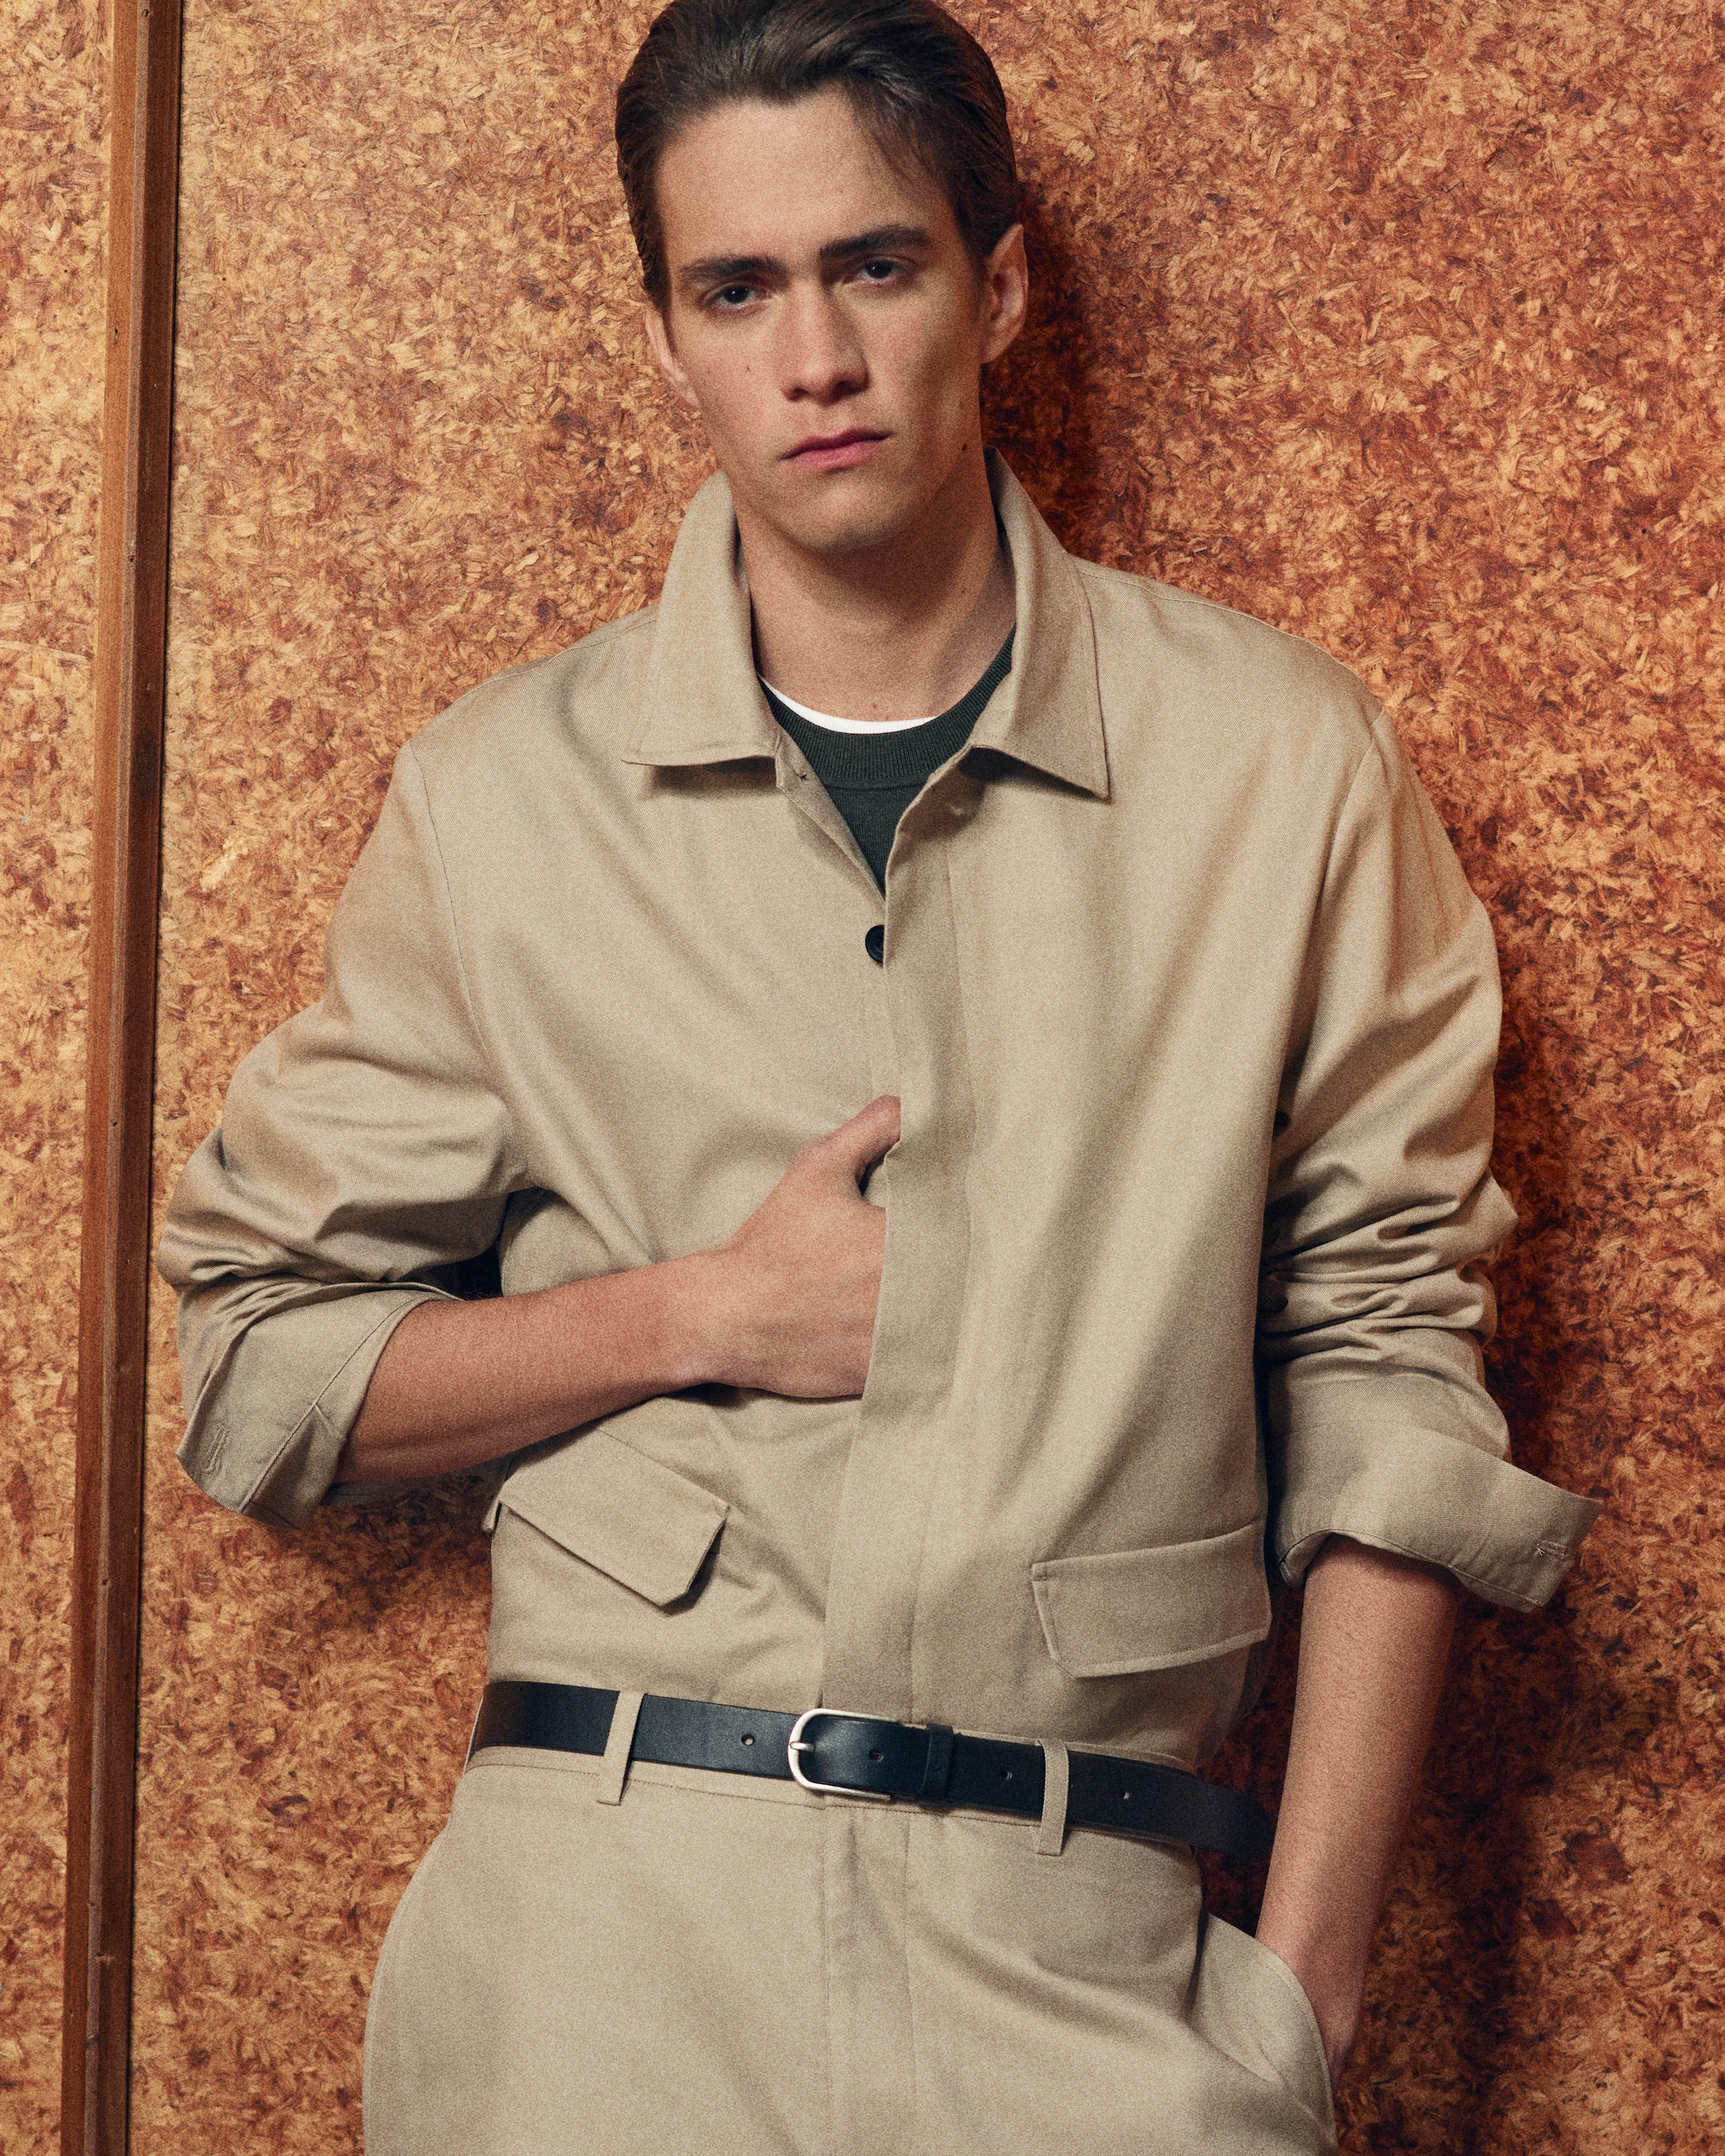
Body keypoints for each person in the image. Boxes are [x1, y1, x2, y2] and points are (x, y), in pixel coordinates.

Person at [158, 2, 1600, 2149]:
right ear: (668, 339)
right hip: (603, 1963)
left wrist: (1305, 1989)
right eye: (736, 289)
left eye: (874, 266)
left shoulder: (1280, 769)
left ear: (994, 286)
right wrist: (696, 1315)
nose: (810, 354)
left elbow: (1393, 1360)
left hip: (1090, 1969)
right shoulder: (498, 805)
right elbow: (252, 1366)